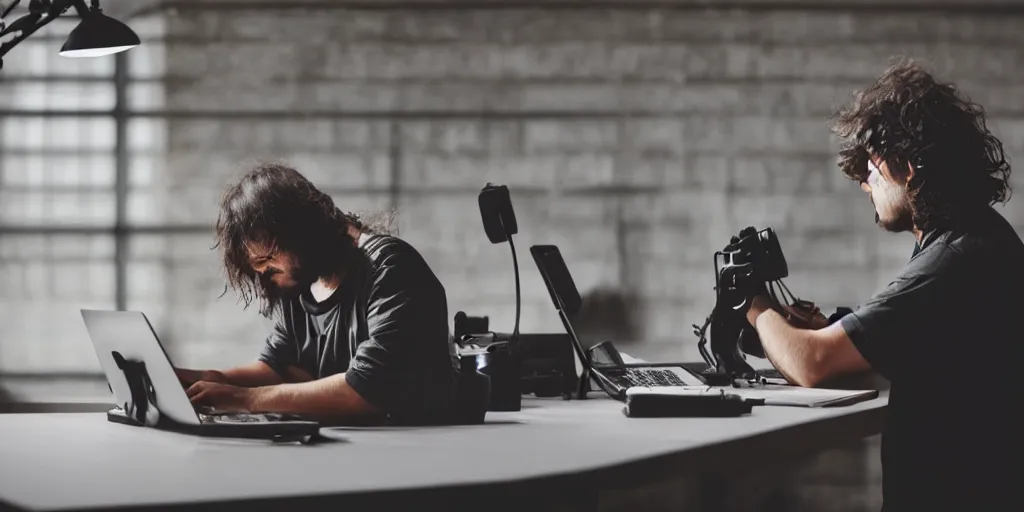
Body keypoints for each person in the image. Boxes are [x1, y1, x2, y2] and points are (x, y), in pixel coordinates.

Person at [740, 60, 1022, 510]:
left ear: (905, 166)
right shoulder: (977, 240)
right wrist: (836, 327)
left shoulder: (954, 259)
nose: (866, 187)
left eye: (870, 171)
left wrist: (752, 301)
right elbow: (920, 351)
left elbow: (809, 363)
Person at [175, 163, 458, 426]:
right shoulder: (300, 283)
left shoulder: (391, 270)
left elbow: (366, 391)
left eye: (269, 260)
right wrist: (214, 381)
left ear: (301, 234)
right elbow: (281, 368)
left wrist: (243, 400)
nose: (264, 275)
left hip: (416, 455)